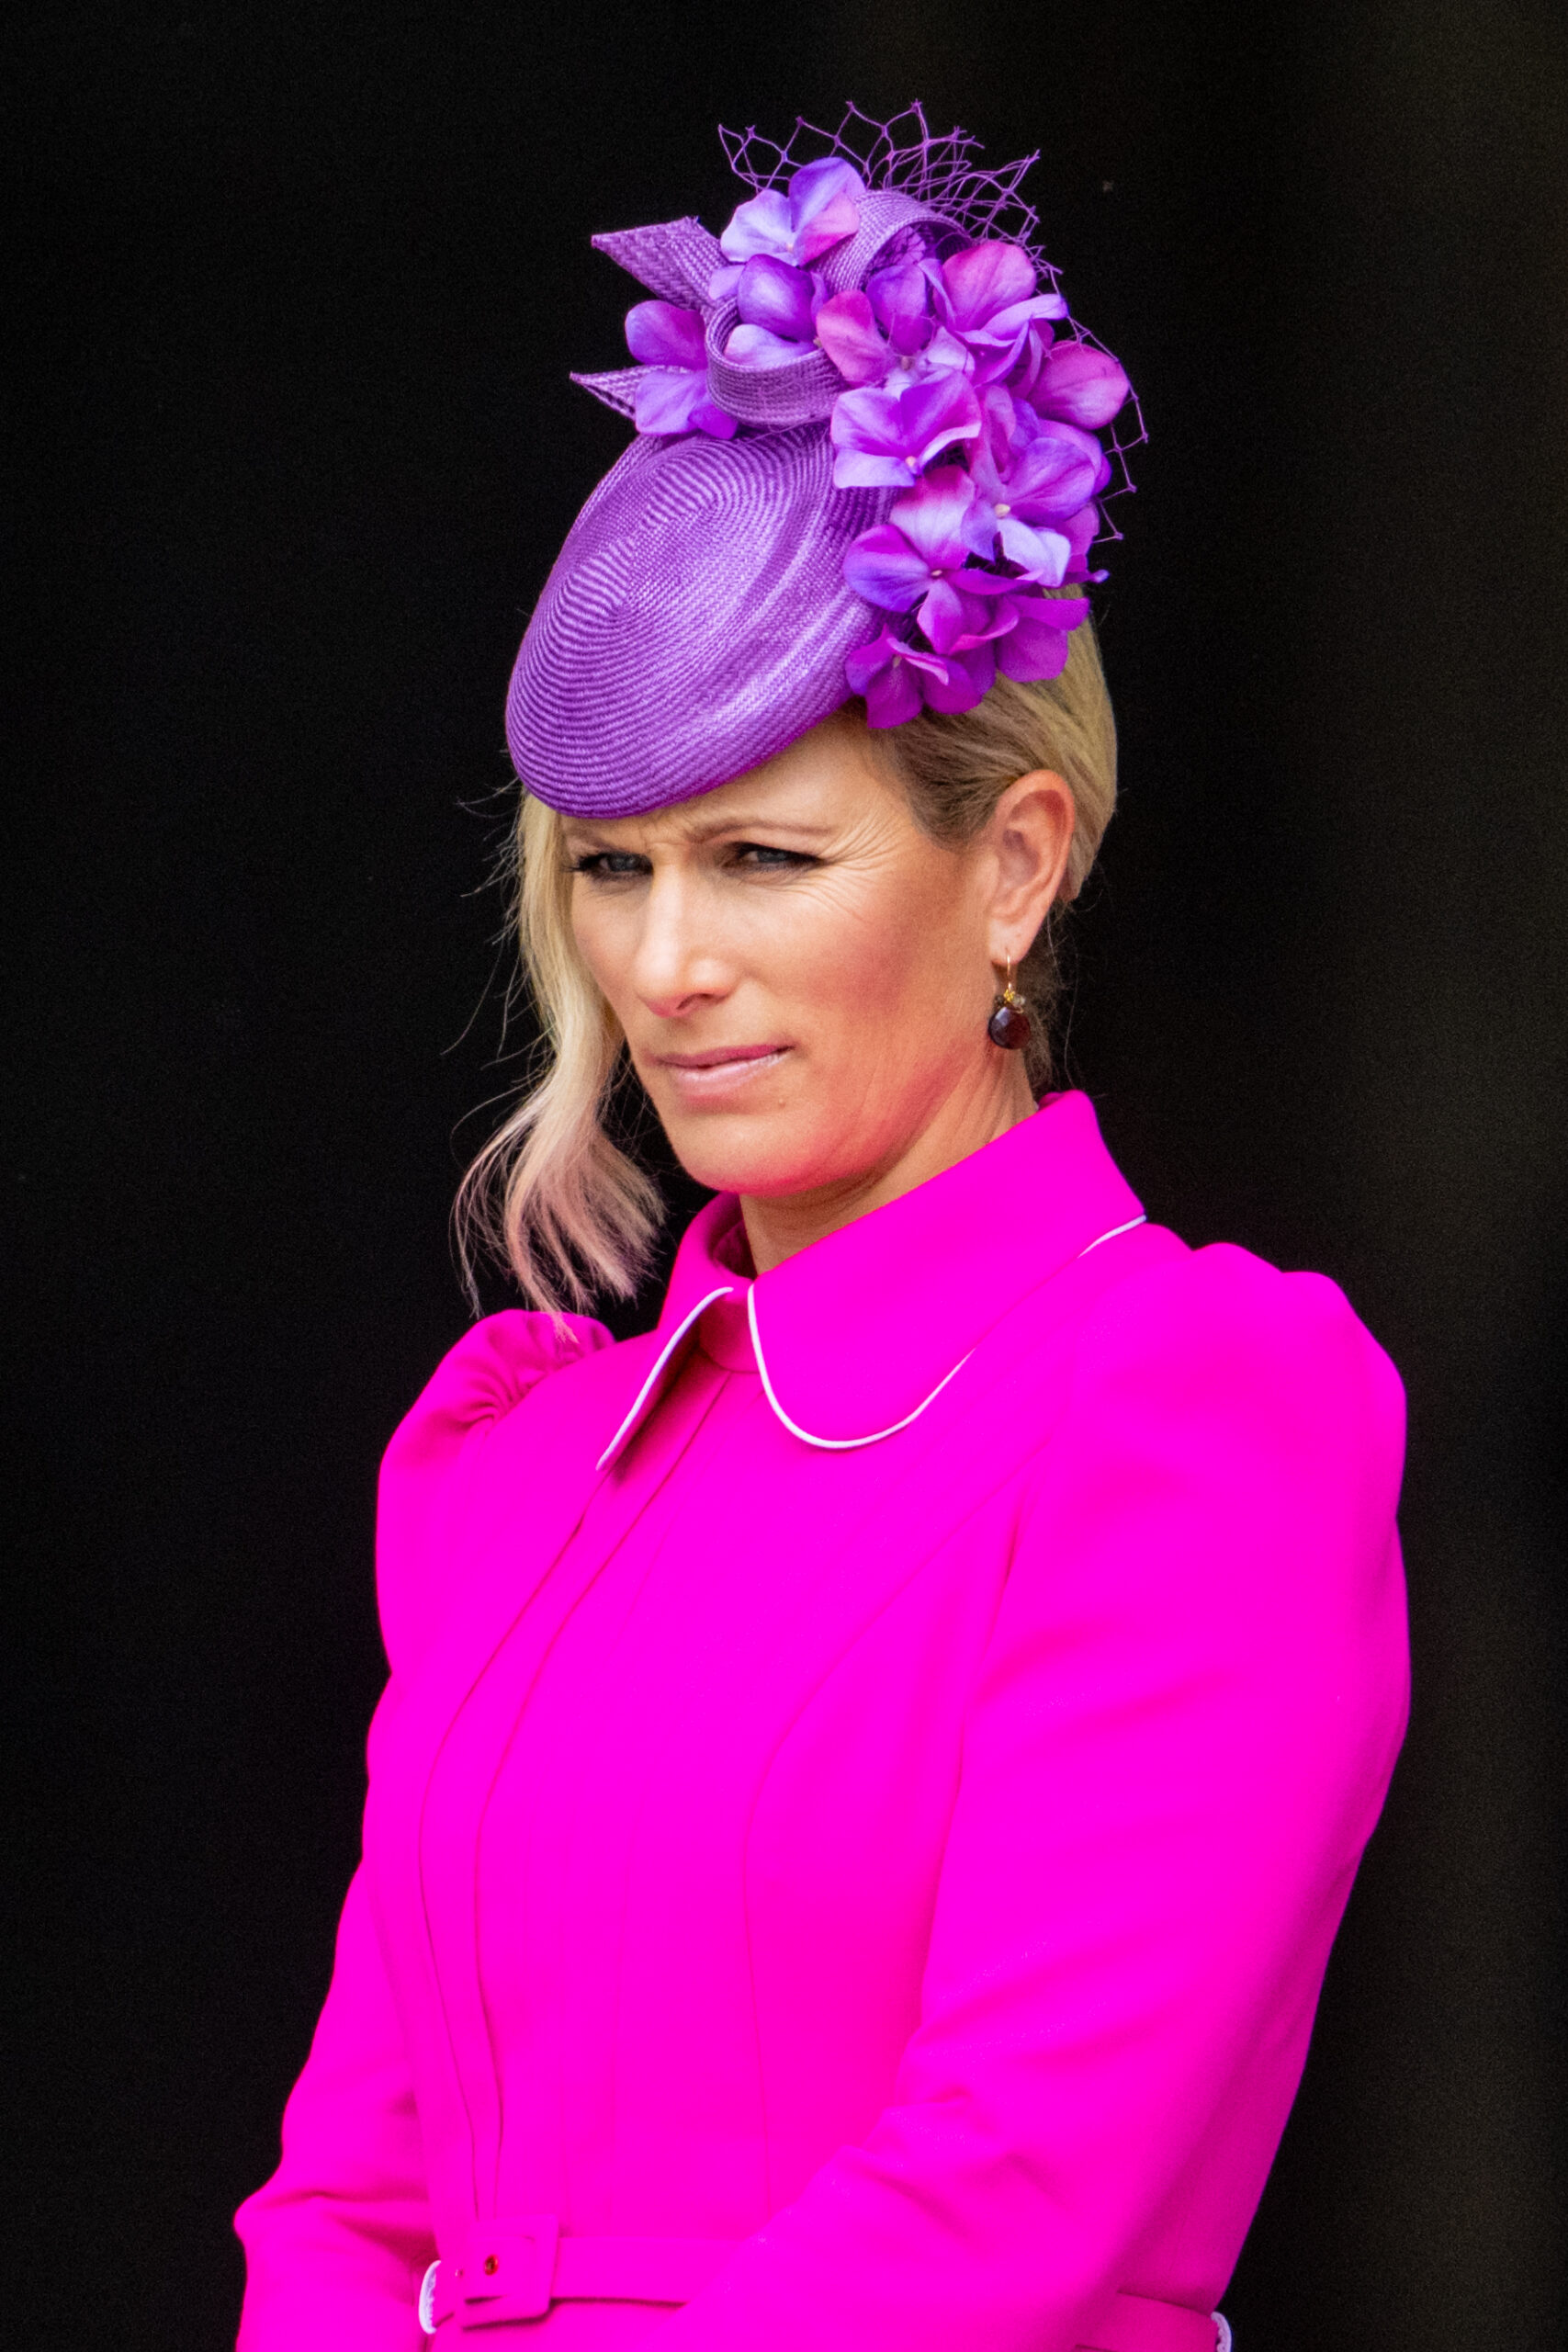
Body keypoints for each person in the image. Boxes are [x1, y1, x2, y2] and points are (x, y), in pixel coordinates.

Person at [234, 108, 1409, 2352]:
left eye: (761, 858)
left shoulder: (1179, 1410)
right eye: (612, 866)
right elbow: (349, 2192)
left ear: (1014, 862)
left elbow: (1009, 2197)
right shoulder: (513, 1463)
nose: (664, 962)